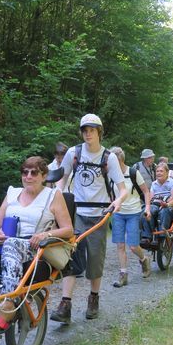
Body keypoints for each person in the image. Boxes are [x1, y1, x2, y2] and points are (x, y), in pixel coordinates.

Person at [0, 156, 73, 333]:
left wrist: (45, 234)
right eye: (25, 172)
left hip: (33, 245)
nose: (28, 176)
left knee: (11, 243)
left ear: (44, 176)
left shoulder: (53, 195)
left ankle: (9, 303)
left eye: (34, 172)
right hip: (7, 241)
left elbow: (68, 230)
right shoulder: (13, 193)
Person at [50, 113, 127, 324]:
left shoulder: (109, 157)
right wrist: (57, 201)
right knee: (70, 257)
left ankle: (94, 298)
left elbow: (122, 189)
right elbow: (61, 179)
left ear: (99, 132)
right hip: (75, 214)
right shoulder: (73, 153)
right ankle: (65, 304)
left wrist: (117, 203)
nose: (88, 134)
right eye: (85, 130)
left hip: (100, 215)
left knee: (95, 259)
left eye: (92, 130)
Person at [109, 146, 151, 287]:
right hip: (118, 213)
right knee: (120, 245)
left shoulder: (133, 172)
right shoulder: (111, 175)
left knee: (133, 246)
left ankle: (144, 259)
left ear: (120, 160)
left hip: (134, 212)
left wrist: (148, 208)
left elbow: (145, 191)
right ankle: (123, 274)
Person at [141, 162, 173, 245]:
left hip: (169, 206)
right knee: (148, 211)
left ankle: (161, 237)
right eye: (157, 171)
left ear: (167, 173)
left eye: (161, 171)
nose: (158, 173)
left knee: (164, 211)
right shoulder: (154, 184)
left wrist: (167, 204)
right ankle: (147, 237)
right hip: (156, 204)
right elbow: (151, 199)